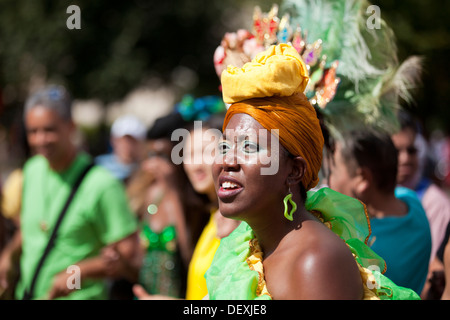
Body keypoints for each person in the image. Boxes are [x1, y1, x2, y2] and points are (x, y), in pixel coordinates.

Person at [204, 43, 419, 300]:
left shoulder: (315, 261)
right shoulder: (249, 243)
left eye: (249, 147)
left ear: (294, 171)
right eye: (225, 146)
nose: (227, 161)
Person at [0, 85, 139, 300]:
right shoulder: (32, 170)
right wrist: (9, 256)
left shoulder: (102, 184)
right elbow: (32, 229)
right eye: (33, 131)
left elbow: (131, 256)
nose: (40, 140)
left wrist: (78, 273)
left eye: (49, 130)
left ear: (71, 127)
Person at [133, 100, 240, 300]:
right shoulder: (212, 216)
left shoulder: (236, 222)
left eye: (206, 152)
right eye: (189, 154)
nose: (195, 164)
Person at [327, 129, 432, 295]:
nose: (329, 181)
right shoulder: (413, 202)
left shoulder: (361, 246)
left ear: (363, 179)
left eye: (334, 170)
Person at [391, 110, 450, 298]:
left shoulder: (434, 202)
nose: (405, 158)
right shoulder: (364, 198)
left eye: (411, 150)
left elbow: (433, 272)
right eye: (396, 151)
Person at [95, 114, 146, 185]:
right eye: (123, 140)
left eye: (133, 141)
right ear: (113, 140)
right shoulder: (98, 166)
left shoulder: (147, 170)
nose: (127, 145)